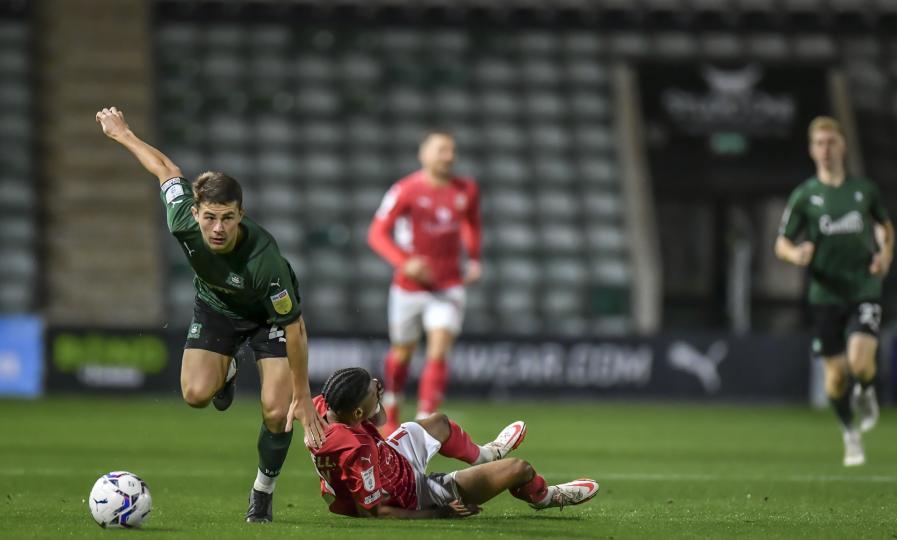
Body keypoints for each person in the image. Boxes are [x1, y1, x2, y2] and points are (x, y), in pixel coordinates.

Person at [96, 107, 325, 522]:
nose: (218, 228)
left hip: (268, 321)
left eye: (228, 218)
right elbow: (166, 170)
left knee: (277, 412)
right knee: (195, 395)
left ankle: (263, 492)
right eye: (210, 217)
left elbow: (295, 328)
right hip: (217, 308)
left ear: (240, 215)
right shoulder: (180, 218)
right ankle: (228, 371)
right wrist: (122, 134)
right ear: (195, 212)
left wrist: (303, 396)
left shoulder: (264, 262)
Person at [307, 367, 599, 518]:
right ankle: (545, 497)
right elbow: (375, 510)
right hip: (411, 494)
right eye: (373, 393)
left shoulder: (324, 407)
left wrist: (371, 399)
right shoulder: (357, 450)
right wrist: (438, 513)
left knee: (439, 423)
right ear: (357, 413)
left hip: (391, 458)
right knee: (519, 469)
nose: (377, 388)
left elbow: (376, 420)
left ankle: (487, 455)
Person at [775, 116, 895, 467]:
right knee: (837, 377)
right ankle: (849, 432)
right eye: (819, 144)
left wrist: (885, 255)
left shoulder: (864, 191)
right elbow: (781, 242)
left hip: (863, 287)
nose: (825, 149)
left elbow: (884, 226)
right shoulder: (805, 196)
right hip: (825, 295)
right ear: (811, 150)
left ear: (843, 146)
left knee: (861, 362)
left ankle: (867, 390)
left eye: (831, 142)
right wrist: (795, 254)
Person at [367, 131, 482, 434]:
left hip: (448, 285)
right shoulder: (405, 189)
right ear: (424, 154)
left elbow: (472, 224)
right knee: (402, 353)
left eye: (451, 150)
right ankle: (391, 403)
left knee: (439, 350)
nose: (448, 156)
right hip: (409, 286)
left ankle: (424, 421)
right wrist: (404, 262)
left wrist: (474, 259)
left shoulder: (466, 190)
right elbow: (376, 233)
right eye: (441, 150)